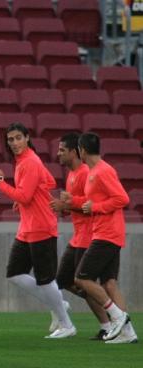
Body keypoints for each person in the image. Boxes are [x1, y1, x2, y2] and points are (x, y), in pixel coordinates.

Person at [0, 122, 75, 339]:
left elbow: (25, 195)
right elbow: (47, 182)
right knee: (14, 274)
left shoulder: (29, 162)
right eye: (11, 139)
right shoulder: (25, 161)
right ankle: (58, 303)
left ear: (27, 138)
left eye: (18, 137)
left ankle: (66, 324)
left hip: (41, 227)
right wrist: (26, 198)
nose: (15, 142)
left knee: (45, 279)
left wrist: (1, 184)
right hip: (28, 227)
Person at [70, 132, 137, 344]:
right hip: (106, 232)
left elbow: (122, 198)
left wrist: (95, 207)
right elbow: (94, 201)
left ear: (82, 150)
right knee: (109, 284)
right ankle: (128, 334)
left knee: (82, 278)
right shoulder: (94, 172)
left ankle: (118, 316)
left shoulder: (103, 171)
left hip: (107, 234)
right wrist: (74, 202)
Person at [49, 133, 111, 340]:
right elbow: (77, 206)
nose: (58, 154)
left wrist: (67, 204)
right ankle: (106, 315)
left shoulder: (85, 173)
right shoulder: (72, 175)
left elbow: (90, 206)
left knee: (82, 281)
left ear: (75, 152)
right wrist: (63, 209)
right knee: (64, 280)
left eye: (61, 150)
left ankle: (108, 324)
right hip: (78, 236)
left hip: (88, 235)